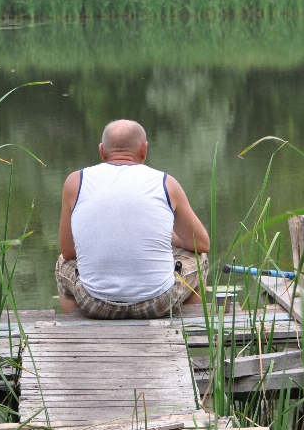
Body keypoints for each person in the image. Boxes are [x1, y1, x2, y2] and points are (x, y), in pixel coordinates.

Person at [55, 119, 210, 319]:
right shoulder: (165, 182)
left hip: (96, 305)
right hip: (157, 304)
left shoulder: (75, 182)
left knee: (62, 264)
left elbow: (68, 251)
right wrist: (170, 236)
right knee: (199, 259)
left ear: (102, 151)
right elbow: (202, 244)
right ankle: (187, 328)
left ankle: (79, 328)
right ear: (144, 150)